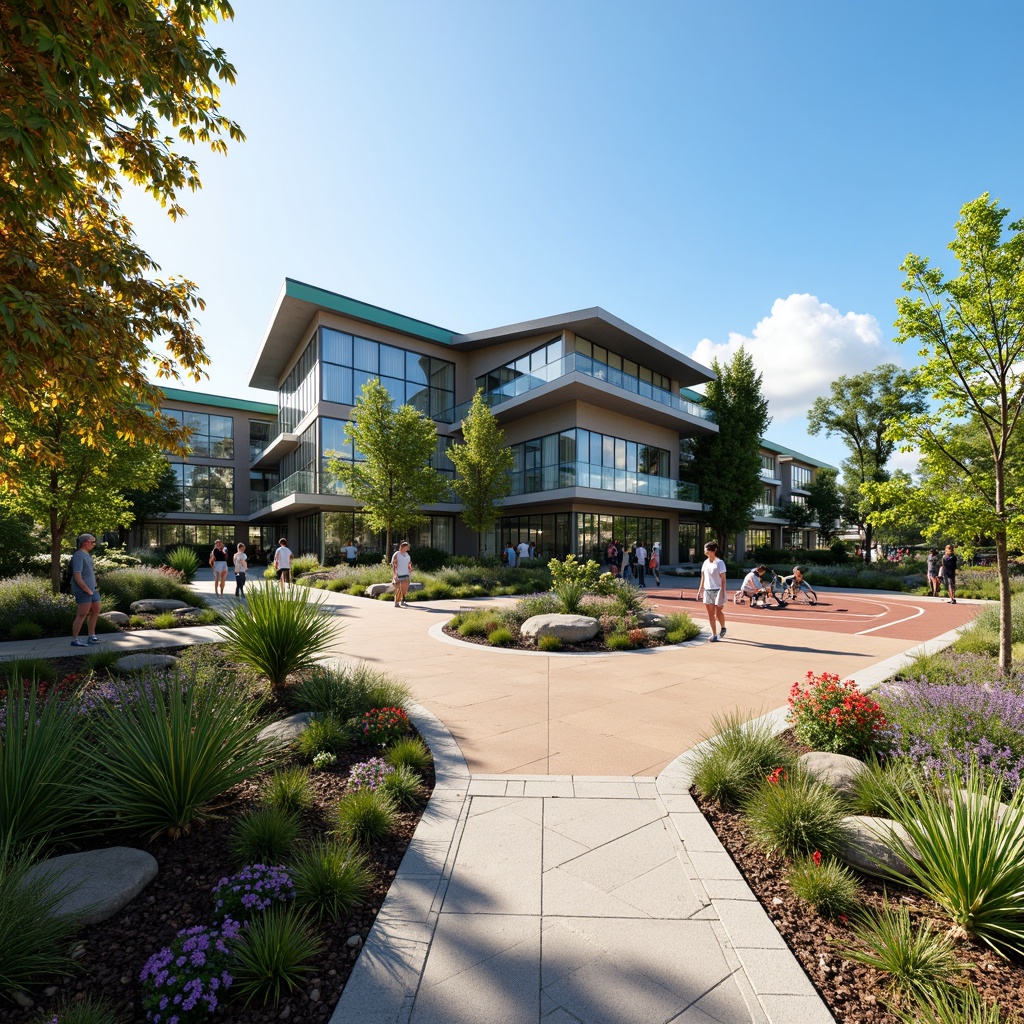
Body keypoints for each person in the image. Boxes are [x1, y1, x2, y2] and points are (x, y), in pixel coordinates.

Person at [70, 532, 102, 646]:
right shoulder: (78, 555)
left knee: (96, 610)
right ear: (85, 543)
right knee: (82, 614)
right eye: (92, 542)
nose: (94, 544)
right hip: (84, 590)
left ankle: (91, 636)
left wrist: (93, 588)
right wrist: (87, 590)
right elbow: (77, 576)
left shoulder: (87, 555)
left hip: (92, 589)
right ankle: (75, 640)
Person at [696, 541, 727, 641]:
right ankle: (714, 634)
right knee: (710, 614)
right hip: (707, 590)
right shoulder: (705, 563)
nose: (706, 551)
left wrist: (722, 593)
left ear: (714, 550)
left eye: (708, 549)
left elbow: (723, 579)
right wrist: (700, 590)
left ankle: (723, 626)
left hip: (718, 590)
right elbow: (703, 577)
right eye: (706, 549)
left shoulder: (720, 563)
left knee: (718, 613)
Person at [391, 540, 413, 607]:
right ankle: (397, 601)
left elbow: (409, 563)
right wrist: (395, 574)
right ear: (402, 547)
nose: (407, 548)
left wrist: (410, 569)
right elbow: (394, 564)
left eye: (408, 547)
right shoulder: (397, 554)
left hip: (406, 573)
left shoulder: (407, 555)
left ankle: (403, 600)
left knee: (404, 588)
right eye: (406, 547)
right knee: (398, 588)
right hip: (399, 574)